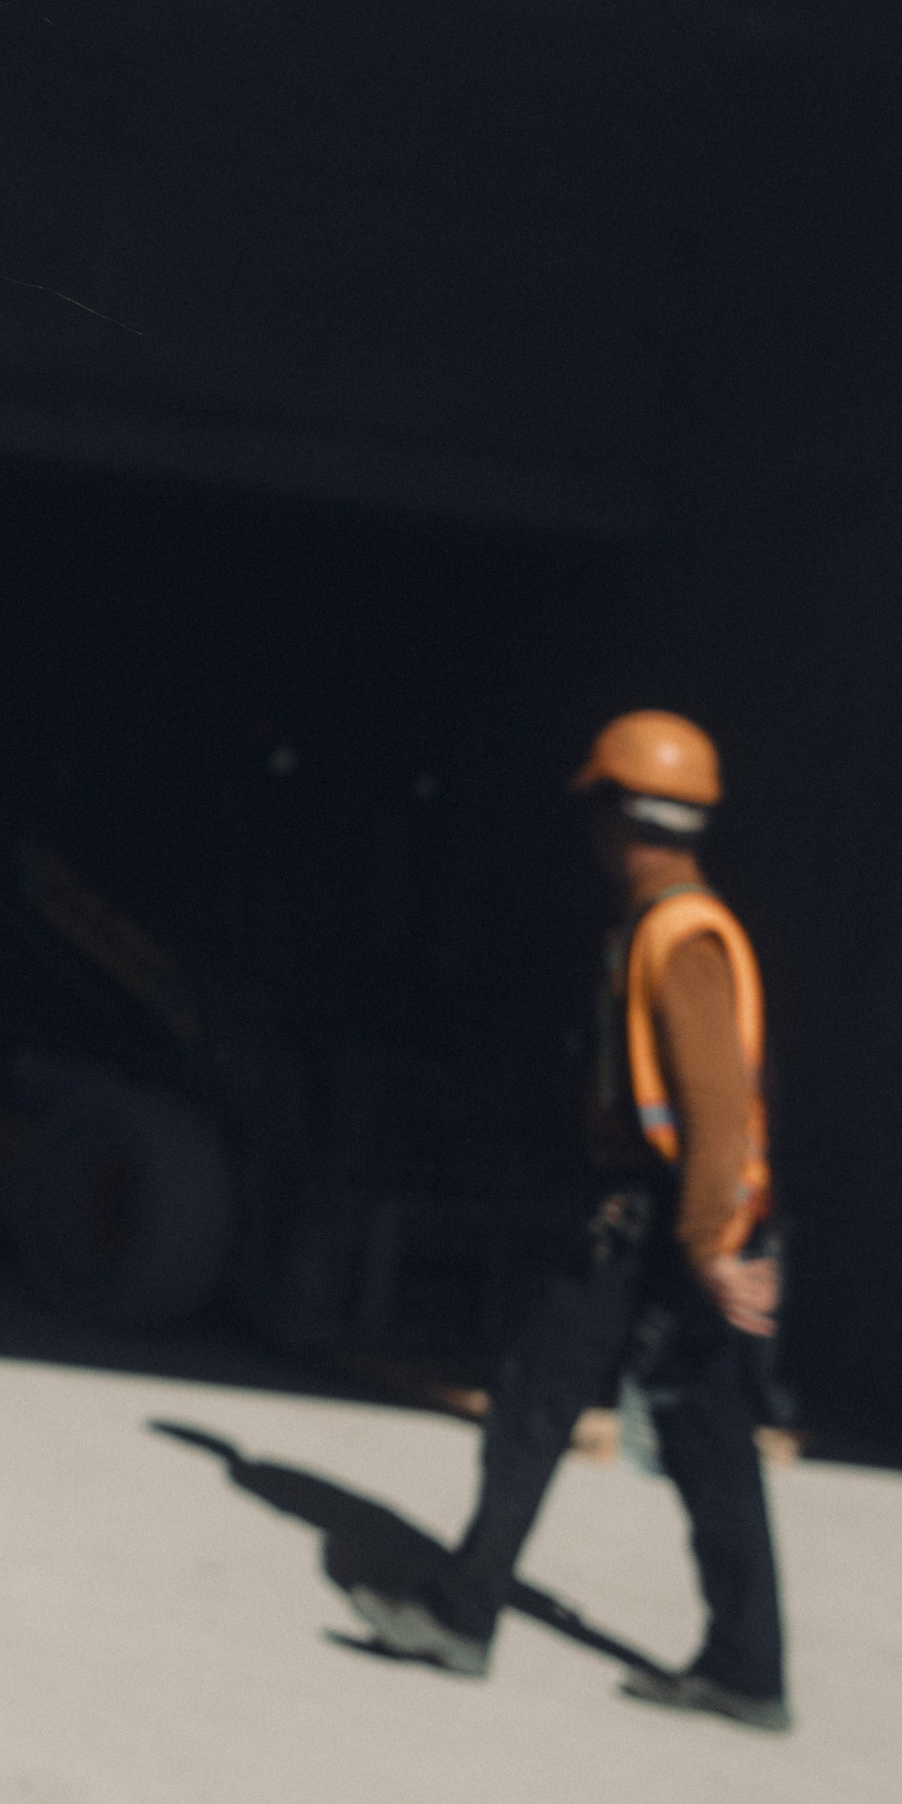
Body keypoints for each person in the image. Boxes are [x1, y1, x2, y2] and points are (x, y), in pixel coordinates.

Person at [347, 710, 792, 1731]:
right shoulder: (668, 919)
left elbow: (717, 1112)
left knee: (535, 1405)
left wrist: (708, 1248)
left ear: (616, 810)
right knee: (703, 1439)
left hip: (661, 1225)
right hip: (671, 1220)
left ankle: (462, 1616)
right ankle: (747, 1668)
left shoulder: (677, 934)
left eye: (594, 805)